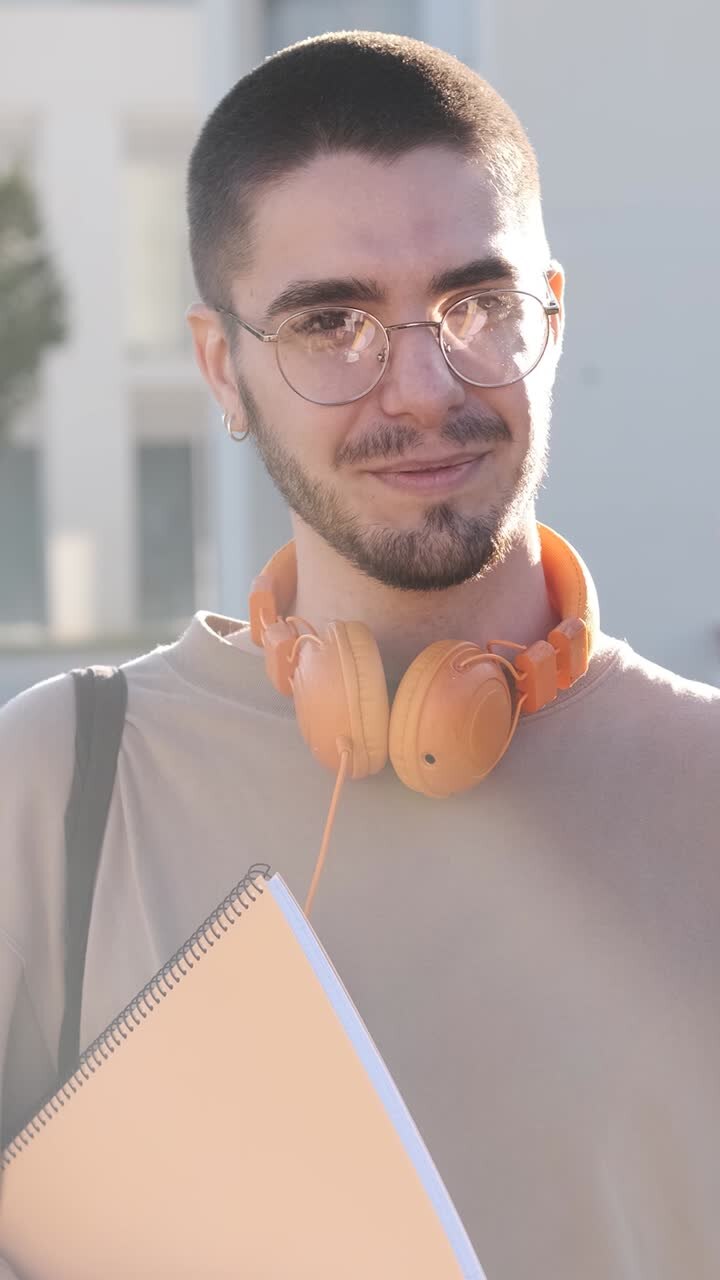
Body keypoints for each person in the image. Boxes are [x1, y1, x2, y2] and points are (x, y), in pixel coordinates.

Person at [0, 30, 718, 1280]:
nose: (422, 386)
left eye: (477, 303)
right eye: (332, 321)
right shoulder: (60, 787)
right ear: (225, 368)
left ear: (553, 311)